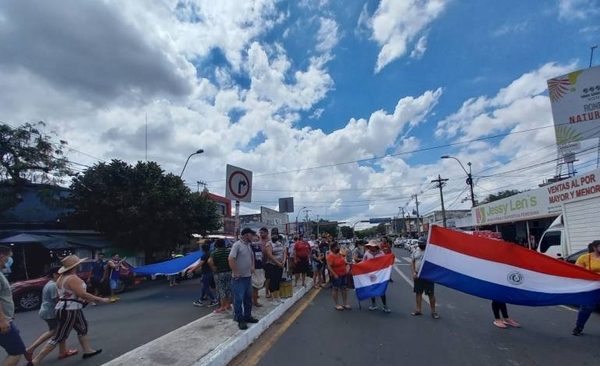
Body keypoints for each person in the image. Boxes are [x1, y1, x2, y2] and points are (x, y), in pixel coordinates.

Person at [29, 255, 111, 366]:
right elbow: (82, 294)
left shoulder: (61, 278)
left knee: (82, 327)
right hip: (69, 309)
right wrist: (101, 299)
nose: (80, 265)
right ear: (75, 266)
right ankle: (36, 361)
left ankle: (87, 350)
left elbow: (65, 294)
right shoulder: (72, 278)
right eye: (79, 264)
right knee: (60, 335)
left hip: (70, 307)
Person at [24, 267, 78, 362]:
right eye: (61, 274)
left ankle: (62, 352)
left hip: (47, 311)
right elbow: (56, 300)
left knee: (56, 331)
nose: (63, 276)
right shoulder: (53, 285)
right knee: (58, 332)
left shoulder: (50, 284)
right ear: (55, 275)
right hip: (51, 312)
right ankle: (31, 350)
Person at [0, 245, 25, 366]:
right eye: (9, 257)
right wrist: (3, 320)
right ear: (2, 256)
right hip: (3, 321)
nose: (10, 260)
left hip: (5, 318)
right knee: (16, 350)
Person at [229, 228, 258, 330]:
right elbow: (231, 258)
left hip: (247, 277)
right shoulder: (237, 245)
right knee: (238, 299)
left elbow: (251, 256)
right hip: (239, 278)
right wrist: (235, 272)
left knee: (248, 298)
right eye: (252, 234)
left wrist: (252, 266)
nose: (253, 236)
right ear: (246, 235)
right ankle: (240, 319)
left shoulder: (248, 245)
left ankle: (247, 316)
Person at [572, 240, 600, 335]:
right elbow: (577, 271)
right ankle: (578, 327)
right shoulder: (584, 258)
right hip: (591, 288)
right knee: (587, 308)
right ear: (595, 247)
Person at [410, 237, 440, 319]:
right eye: (420, 244)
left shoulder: (430, 252)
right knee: (418, 293)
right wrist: (413, 272)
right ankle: (418, 309)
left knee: (430, 294)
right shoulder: (415, 251)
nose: (421, 245)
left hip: (428, 276)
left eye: (422, 244)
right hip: (418, 275)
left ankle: (433, 311)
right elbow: (412, 262)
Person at [363, 241, 390, 313]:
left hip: (380, 274)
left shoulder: (381, 253)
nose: (371, 247)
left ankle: (385, 305)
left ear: (375, 247)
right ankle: (374, 304)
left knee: (381, 289)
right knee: (372, 288)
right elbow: (364, 262)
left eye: (372, 246)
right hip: (371, 274)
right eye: (370, 246)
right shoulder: (367, 253)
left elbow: (385, 262)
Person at [208, 239, 233, 314]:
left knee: (221, 289)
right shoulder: (228, 251)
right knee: (228, 288)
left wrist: (213, 268)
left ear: (216, 245)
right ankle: (228, 305)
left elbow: (209, 261)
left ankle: (222, 307)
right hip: (229, 272)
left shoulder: (215, 252)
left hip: (219, 273)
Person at [327, 241, 351, 311]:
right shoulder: (330, 256)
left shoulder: (340, 254)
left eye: (338, 246)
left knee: (344, 288)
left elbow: (344, 261)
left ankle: (345, 303)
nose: (338, 248)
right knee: (336, 289)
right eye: (336, 247)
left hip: (343, 274)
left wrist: (348, 263)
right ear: (332, 248)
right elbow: (329, 267)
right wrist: (334, 274)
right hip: (336, 275)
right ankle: (337, 304)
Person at [265, 233, 287, 305]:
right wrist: (278, 263)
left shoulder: (280, 243)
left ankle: (278, 297)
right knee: (273, 281)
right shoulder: (269, 244)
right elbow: (269, 255)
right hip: (272, 265)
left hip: (280, 265)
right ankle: (273, 298)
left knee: (278, 281)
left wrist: (283, 261)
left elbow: (284, 252)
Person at [251, 234, 266, 307]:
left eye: (257, 240)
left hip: (260, 268)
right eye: (254, 240)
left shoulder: (259, 247)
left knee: (257, 286)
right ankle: (255, 302)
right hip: (254, 269)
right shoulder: (250, 248)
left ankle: (255, 300)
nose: (255, 242)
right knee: (254, 286)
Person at [257, 228, 271, 298]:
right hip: (260, 263)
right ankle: (256, 294)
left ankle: (267, 292)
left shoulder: (270, 241)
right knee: (259, 279)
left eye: (262, 233)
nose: (261, 234)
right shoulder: (258, 242)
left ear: (266, 233)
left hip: (269, 262)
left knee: (268, 278)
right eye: (260, 233)